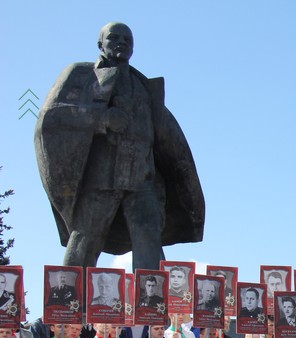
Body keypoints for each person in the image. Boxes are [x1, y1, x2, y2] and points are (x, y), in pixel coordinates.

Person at [35, 22, 203, 272]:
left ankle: (151, 305)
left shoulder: (143, 84)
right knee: (85, 238)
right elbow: (51, 119)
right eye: (114, 37)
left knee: (149, 238)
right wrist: (102, 119)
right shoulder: (82, 74)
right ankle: (68, 300)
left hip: (143, 179)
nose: (122, 42)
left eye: (128, 39)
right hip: (101, 178)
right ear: (100, 44)